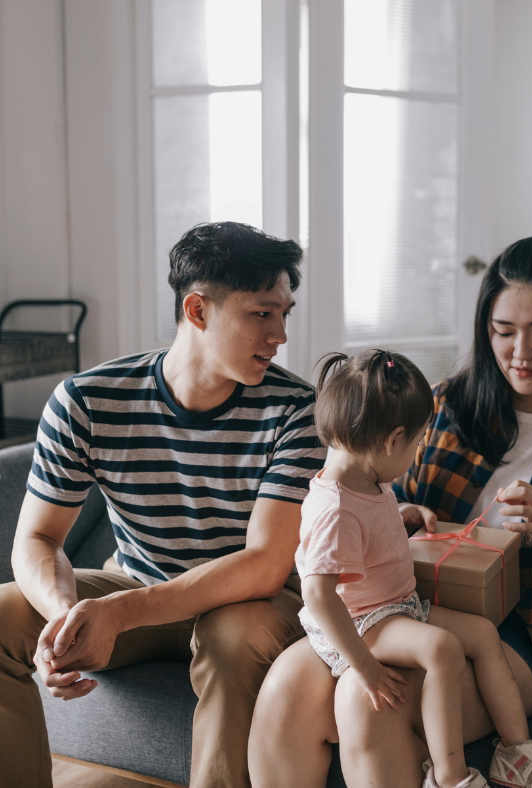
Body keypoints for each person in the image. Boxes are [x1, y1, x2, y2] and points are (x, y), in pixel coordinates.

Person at [249, 230, 532, 787]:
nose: (519, 353)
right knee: (284, 689)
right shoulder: (447, 403)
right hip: (407, 607)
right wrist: (405, 514)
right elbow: (389, 496)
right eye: (503, 332)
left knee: (367, 702)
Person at [0, 222, 325, 788]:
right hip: (136, 584)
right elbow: (37, 539)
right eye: (261, 314)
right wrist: (65, 617)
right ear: (197, 310)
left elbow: (266, 564)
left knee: (234, 635)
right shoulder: (88, 401)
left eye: (284, 314)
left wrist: (119, 615)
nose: (280, 335)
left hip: (250, 601)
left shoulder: (298, 411)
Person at [296, 349, 532, 788]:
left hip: (395, 605)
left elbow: (364, 526)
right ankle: (450, 776)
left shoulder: (366, 478)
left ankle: (516, 751)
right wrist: (364, 666)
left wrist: (400, 512)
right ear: (392, 441)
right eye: (417, 442)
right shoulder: (335, 508)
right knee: (442, 648)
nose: (419, 450)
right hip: (362, 621)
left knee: (483, 634)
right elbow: (317, 593)